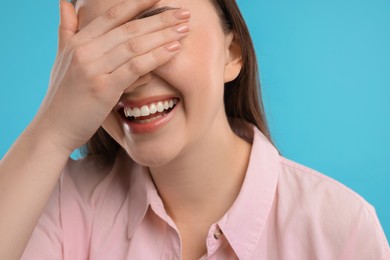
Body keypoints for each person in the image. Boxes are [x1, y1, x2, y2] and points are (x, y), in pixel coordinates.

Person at [0, 0, 388, 259]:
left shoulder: (342, 229)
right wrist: (53, 128)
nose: (133, 75)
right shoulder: (56, 202)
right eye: (104, 47)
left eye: (160, 31)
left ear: (232, 54)